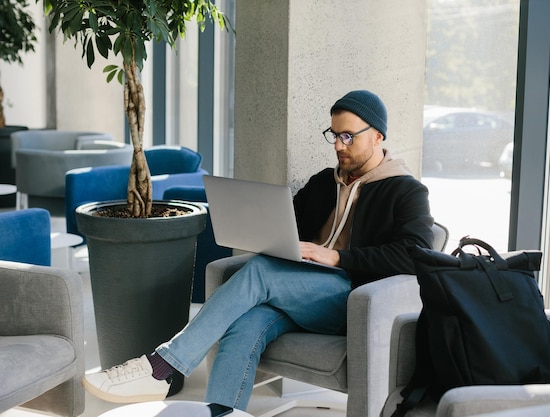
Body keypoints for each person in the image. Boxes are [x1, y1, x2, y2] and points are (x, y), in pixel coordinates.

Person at [82, 89, 435, 410]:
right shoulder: (322, 184)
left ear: (377, 136)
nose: (339, 146)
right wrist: (262, 231)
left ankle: (164, 366)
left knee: (260, 273)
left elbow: (416, 254)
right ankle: (221, 412)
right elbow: (284, 224)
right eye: (334, 135)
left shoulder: (405, 191)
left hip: (352, 299)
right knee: (246, 325)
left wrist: (336, 256)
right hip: (301, 293)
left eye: (348, 137)